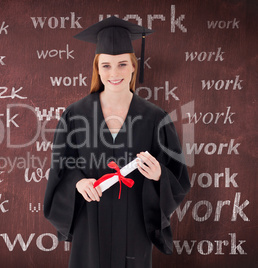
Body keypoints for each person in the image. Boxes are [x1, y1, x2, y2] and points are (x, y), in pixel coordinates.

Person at [44, 16, 190, 268]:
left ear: (134, 66)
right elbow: (61, 168)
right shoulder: (75, 115)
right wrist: (78, 182)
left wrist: (159, 176)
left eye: (122, 64)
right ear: (97, 69)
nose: (114, 73)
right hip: (89, 222)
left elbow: (177, 177)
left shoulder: (155, 118)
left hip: (134, 224)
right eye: (106, 65)